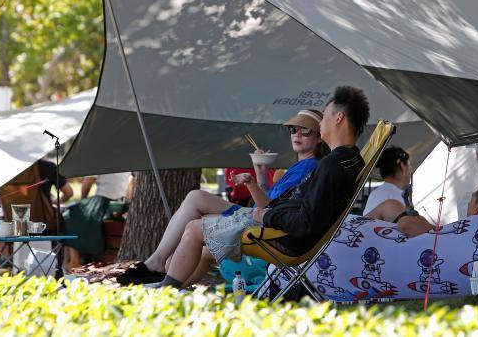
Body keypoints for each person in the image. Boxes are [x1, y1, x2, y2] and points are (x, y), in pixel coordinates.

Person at [143, 85, 369, 289]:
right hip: (285, 230)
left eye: (324, 117)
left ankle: (165, 290)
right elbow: (305, 211)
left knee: (194, 228)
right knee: (199, 229)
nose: (320, 124)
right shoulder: (349, 161)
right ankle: (167, 285)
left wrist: (265, 216)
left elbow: (305, 222)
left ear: (338, 118)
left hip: (283, 237)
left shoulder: (330, 165)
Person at [116, 108, 330, 286]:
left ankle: (160, 270)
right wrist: (261, 172)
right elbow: (272, 201)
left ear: (319, 137)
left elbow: (269, 208)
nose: (297, 135)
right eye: (294, 129)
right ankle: (163, 273)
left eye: (305, 131)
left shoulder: (308, 167)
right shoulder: (300, 166)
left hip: (263, 221)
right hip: (262, 216)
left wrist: (251, 183)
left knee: (195, 213)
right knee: (195, 203)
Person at [62, 172, 133, 269]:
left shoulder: (98, 158)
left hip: (103, 202)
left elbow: (86, 186)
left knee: (70, 214)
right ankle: (70, 260)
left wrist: (83, 202)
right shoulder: (127, 160)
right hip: (121, 204)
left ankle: (74, 261)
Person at [363, 146, 434, 237]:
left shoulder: (379, 193)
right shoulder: (391, 195)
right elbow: (408, 227)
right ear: (403, 166)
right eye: (409, 165)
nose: (410, 170)